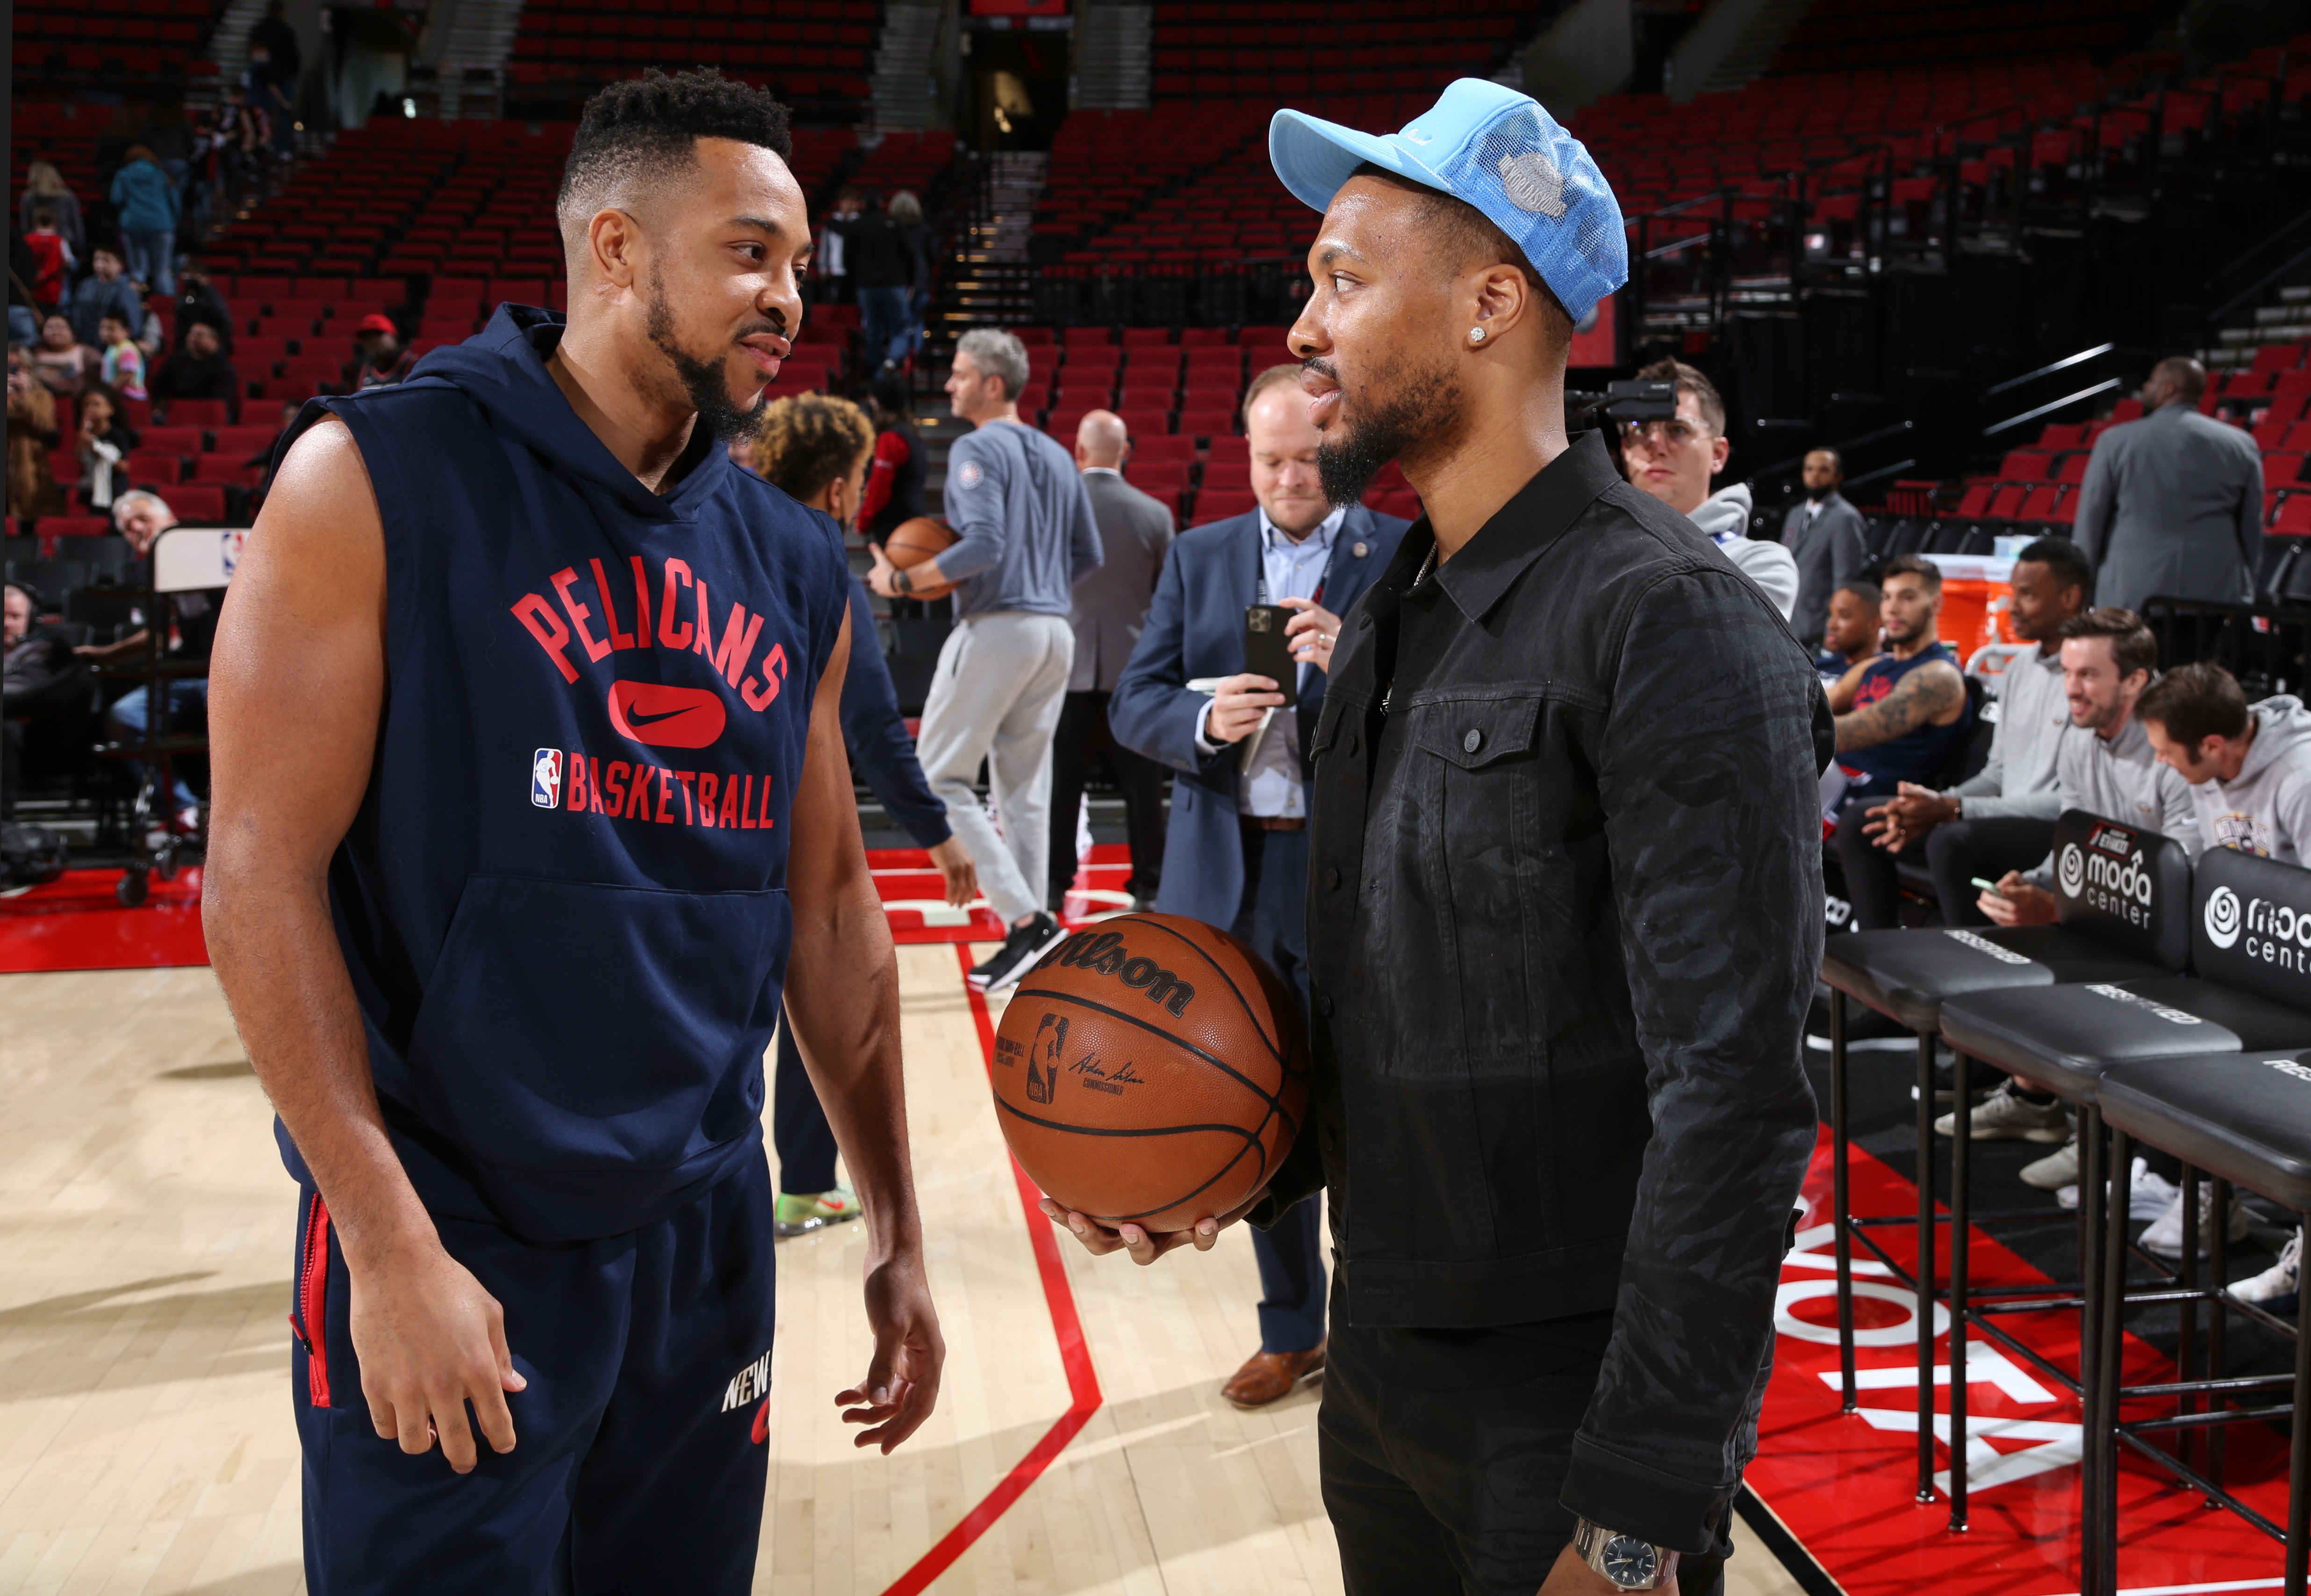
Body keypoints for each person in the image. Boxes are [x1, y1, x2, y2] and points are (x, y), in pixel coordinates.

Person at [1055, 80, 1827, 1596]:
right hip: (1385, 1362)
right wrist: (1221, 1162)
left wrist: (1634, 1510)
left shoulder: (1669, 624)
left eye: (1342, 278)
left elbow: (1736, 1110)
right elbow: (1390, 1020)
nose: (1301, 325)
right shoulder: (1394, 612)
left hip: (1567, 1414)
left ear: (1487, 304)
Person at [198, 70, 943, 1591]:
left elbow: (830, 914)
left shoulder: (794, 561)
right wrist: (386, 1240)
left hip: (703, 1229)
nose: (790, 299)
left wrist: (894, 1222)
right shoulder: (375, 478)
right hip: (454, 1223)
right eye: (750, 254)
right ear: (614, 245)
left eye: (798, 263)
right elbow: (256, 874)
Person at [1108, 365, 1408, 1412]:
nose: (1291, 476)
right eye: (1271, 458)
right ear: (1246, 455)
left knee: (1368, 1108)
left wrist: (1362, 671)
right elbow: (1132, 701)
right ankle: (1292, 1332)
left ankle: (1378, 1334)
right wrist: (1199, 723)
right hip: (1230, 877)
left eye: (1311, 458)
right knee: (1260, 1107)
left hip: (1354, 880)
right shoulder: (1201, 556)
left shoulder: (1403, 553)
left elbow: (1440, 712)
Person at [752, 390, 979, 1238]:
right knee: (825, 999)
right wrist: (938, 836)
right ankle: (807, 1185)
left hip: (689, 819)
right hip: (786, 826)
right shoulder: (821, 566)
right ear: (845, 490)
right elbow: (875, 728)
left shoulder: (709, 540)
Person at [864, 327, 1103, 994]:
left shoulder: (976, 447)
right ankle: (1033, 935)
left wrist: (905, 582)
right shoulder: (1059, 455)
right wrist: (1042, 589)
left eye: (961, 374)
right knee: (1023, 794)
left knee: (939, 777)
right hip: (1056, 630)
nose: (949, 384)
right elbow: (1089, 555)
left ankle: (1025, 922)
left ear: (993, 385)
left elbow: (986, 543)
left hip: (1000, 627)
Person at [1973, 608, 2209, 1243]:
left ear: (2134, 680)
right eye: (2068, 672)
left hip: (2176, 939)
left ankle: (2146, 1162)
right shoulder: (2079, 739)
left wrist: (2063, 907)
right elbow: (2073, 846)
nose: (2070, 687)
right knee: (2016, 937)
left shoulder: (2171, 751)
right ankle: (2081, 1131)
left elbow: (2189, 881)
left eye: (2087, 674)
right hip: (2116, 919)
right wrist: (2036, 883)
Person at [1839, 536, 2090, 932]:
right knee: (1864, 820)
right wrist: (1938, 802)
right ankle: (1879, 961)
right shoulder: (2021, 666)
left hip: (2060, 827)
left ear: (2070, 597)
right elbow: (1999, 773)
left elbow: (2073, 804)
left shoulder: (2093, 682)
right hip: (2000, 815)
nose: (2012, 605)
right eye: (2013, 592)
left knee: (1951, 840)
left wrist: (1953, 808)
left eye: (2027, 594)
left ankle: (1973, 968)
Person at [1048, 409, 1174, 914]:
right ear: (1126, 452)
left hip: (1067, 670)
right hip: (1132, 675)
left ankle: (1054, 883)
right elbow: (1167, 600)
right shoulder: (1154, 514)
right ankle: (1149, 885)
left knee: (1061, 789)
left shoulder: (1053, 511)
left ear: (1079, 452)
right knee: (1143, 789)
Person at [2073, 357, 2262, 615]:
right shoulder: (2241, 444)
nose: (2146, 387)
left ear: (2168, 389)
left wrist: (2082, 588)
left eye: (2152, 381)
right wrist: (2247, 586)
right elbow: (2250, 527)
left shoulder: (2114, 442)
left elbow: (2090, 524)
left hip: (2131, 589)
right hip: (2215, 589)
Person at [75, 491, 214, 831]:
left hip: (232, 671)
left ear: (169, 519)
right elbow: (159, 632)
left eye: (143, 518)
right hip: (186, 670)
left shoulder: (210, 544)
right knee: (125, 717)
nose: (135, 527)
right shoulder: (155, 565)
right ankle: (184, 811)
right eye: (126, 527)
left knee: (230, 713)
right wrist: (103, 654)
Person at [1624, 356, 1800, 624]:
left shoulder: (1761, 564)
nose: (1655, 443)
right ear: (1625, 449)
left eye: (1678, 429)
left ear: (1718, 454)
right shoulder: (1593, 551)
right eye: (1641, 428)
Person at [1824, 553, 1971, 852]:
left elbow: (1849, 733)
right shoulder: (1874, 666)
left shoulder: (1938, 676)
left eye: (1907, 597)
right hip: (1838, 784)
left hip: (1877, 799)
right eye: (1887, 597)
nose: (1893, 607)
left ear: (1936, 604)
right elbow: (1815, 707)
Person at [2140, 661, 2311, 864]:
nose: (2160, 760)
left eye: (2167, 752)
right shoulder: (2205, 769)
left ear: (2213, 746)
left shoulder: (2300, 781)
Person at [4, 580, 92, 818]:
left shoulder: (50, 647)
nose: (7, 624)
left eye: (15, 616)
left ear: (31, 618)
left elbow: (68, 689)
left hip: (39, 729)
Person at [1783, 447, 1869, 646]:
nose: (1815, 475)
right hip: (1789, 620)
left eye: (1823, 470)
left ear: (1838, 476)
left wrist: (1835, 624)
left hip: (1818, 625)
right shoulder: (1794, 514)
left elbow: (1845, 578)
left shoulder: (1846, 517)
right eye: (1809, 469)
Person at [822, 190, 913, 372]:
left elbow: (848, 258)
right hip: (894, 284)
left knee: (872, 328)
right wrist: (909, 281)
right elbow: (908, 255)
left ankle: (874, 370)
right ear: (881, 204)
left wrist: (858, 277)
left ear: (862, 205)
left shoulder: (858, 226)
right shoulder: (893, 224)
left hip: (867, 285)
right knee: (900, 327)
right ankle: (892, 361)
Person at [859, 374, 926, 541]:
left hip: (895, 523)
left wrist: (864, 519)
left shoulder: (891, 438)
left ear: (881, 404)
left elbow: (880, 485)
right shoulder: (911, 431)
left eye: (873, 399)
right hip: (913, 516)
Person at [109, 146, 180, 295]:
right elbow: (175, 202)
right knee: (163, 271)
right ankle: (167, 312)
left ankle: (132, 307)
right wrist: (175, 220)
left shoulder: (124, 174)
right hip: (162, 224)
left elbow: (116, 199)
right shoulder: (161, 174)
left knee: (138, 270)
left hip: (133, 224)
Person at [7, 350, 65, 519]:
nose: (11, 371)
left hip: (28, 469)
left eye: (16, 366)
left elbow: (46, 425)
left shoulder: (40, 395)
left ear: (28, 369)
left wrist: (23, 396)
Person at [152, 320, 241, 415]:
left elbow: (221, 400)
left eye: (199, 335)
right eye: (190, 333)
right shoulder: (176, 360)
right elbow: (160, 385)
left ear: (214, 340)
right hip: (177, 413)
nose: (192, 337)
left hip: (207, 415)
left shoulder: (224, 367)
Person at [888, 190, 933, 368]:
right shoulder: (926, 231)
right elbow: (932, 256)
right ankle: (916, 355)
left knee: (901, 322)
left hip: (899, 280)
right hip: (921, 280)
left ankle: (899, 357)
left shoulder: (892, 231)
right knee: (917, 319)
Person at [75, 385, 139, 510]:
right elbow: (78, 458)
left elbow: (123, 466)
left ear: (110, 409)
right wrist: (83, 432)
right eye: (86, 405)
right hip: (90, 490)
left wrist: (96, 449)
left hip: (112, 491)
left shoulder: (117, 435)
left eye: (96, 405)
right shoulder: (85, 435)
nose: (90, 409)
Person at [69, 246, 145, 350]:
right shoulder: (86, 285)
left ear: (120, 265)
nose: (100, 264)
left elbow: (132, 321)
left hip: (112, 346)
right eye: (97, 260)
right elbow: (76, 313)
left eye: (106, 261)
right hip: (85, 341)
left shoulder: (125, 290)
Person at [18, 161, 86, 262]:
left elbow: (26, 227)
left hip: (37, 245)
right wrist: (81, 249)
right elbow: (77, 224)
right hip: (65, 243)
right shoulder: (67, 195)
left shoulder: (28, 197)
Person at [1815, 579, 1879, 683]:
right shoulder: (1821, 665)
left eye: (1844, 616)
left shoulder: (1881, 675)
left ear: (1873, 625)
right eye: (1831, 614)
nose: (1831, 625)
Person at [173, 258, 234, 351]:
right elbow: (182, 311)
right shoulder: (187, 295)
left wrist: (205, 287)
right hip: (186, 347)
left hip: (211, 346)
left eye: (194, 275)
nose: (190, 279)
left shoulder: (212, 295)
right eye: (187, 274)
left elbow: (222, 317)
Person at [30, 314, 96, 397]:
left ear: (73, 333)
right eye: (50, 327)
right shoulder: (33, 353)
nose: (55, 331)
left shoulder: (86, 353)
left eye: (61, 327)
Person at [348, 313, 415, 389]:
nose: (373, 341)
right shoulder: (362, 370)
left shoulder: (413, 364)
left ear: (394, 337)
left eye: (378, 334)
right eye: (367, 337)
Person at [22, 208, 72, 308]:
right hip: (51, 290)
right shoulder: (60, 241)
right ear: (55, 222)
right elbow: (68, 262)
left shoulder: (26, 240)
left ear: (35, 222)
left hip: (29, 289)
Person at [96, 314, 146, 401]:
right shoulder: (113, 348)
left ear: (126, 332)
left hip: (129, 397)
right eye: (102, 328)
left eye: (111, 329)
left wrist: (110, 393)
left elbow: (127, 374)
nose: (105, 333)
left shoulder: (126, 349)